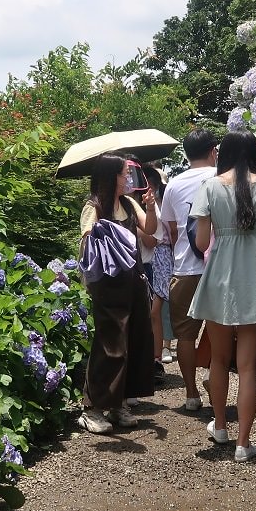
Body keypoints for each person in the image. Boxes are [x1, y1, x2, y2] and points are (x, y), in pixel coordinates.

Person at [187, 130, 256, 462]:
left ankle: (219, 426)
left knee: (218, 359)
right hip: (255, 278)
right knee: (248, 367)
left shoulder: (211, 187)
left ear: (224, 153)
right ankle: (244, 444)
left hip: (220, 277)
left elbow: (201, 244)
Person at [77, 154, 158, 434]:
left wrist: (151, 205)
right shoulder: (94, 206)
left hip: (133, 281)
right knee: (111, 345)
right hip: (108, 286)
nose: (128, 178)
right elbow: (87, 240)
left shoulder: (129, 203)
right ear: (111, 175)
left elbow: (150, 229)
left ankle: (118, 403)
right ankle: (92, 408)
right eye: (125, 173)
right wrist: (101, 230)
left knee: (134, 339)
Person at [159, 129, 217, 411]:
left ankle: (191, 394)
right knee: (223, 326)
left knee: (184, 334)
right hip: (218, 267)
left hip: (184, 268)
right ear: (212, 151)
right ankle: (212, 375)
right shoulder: (221, 178)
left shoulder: (174, 185)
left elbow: (170, 230)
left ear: (186, 153)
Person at [138, 164, 171, 384]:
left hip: (153, 264)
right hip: (140, 264)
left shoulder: (153, 208)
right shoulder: (128, 205)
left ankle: (156, 360)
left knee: (153, 313)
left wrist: (136, 226)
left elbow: (151, 240)